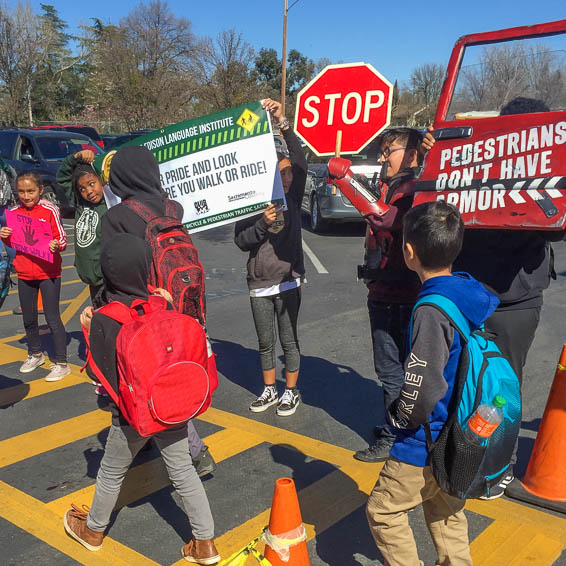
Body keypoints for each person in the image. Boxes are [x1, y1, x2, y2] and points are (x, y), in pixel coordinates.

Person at [422, 96, 565, 497]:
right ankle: (459, 457)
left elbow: (557, 227)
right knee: (462, 379)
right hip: (471, 293)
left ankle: (497, 464)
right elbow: (439, 211)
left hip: (517, 301)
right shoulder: (473, 161)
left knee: (501, 388)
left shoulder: (551, 167)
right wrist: (439, 159)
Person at [65, 234, 220, 565]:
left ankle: (92, 531)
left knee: (111, 471)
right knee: (182, 470)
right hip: (170, 405)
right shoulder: (160, 301)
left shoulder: (106, 316)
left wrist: (91, 332)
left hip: (132, 414)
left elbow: (100, 376)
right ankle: (205, 543)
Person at [366, 200, 490, 566]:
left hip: (426, 439)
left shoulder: (430, 309)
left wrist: (399, 418)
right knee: (446, 512)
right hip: (461, 429)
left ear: (408, 251)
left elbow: (423, 386)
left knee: (383, 513)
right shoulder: (467, 291)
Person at [99, 144, 216, 477]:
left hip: (140, 310)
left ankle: (193, 451)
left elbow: (109, 271)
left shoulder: (116, 217)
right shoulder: (172, 207)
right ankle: (181, 446)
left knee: (138, 381)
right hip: (180, 307)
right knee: (172, 372)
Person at [354, 128, 424, 462]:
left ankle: (393, 438)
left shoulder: (412, 190)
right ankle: (393, 428)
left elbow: (384, 219)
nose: (383, 157)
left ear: (412, 153)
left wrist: (345, 181)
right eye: (382, 151)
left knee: (393, 370)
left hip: (397, 293)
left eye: (389, 150)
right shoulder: (396, 185)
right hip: (387, 289)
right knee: (393, 368)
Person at [234, 98, 307, 417]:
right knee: (266, 343)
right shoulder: (251, 203)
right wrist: (262, 223)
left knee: (289, 341)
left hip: (288, 281)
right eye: (281, 174)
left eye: (289, 173)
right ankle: (269, 390)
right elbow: (241, 240)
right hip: (259, 283)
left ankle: (291, 391)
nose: (287, 178)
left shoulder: (292, 196)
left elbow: (302, 161)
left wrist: (283, 123)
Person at [0, 171, 70, 381]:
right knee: (29, 318)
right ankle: (35, 354)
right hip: (24, 272)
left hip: (48, 272)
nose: (26, 196)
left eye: (31, 191)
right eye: (21, 191)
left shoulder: (50, 210)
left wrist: (56, 245)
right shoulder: (14, 211)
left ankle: (61, 362)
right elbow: (17, 244)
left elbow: (63, 240)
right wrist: (6, 237)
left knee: (52, 318)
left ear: (40, 190)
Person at [56, 149, 107, 308]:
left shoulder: (109, 206)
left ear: (102, 181)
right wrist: (75, 157)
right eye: (82, 189)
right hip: (90, 277)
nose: (89, 191)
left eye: (92, 184)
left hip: (106, 279)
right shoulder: (80, 204)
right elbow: (62, 177)